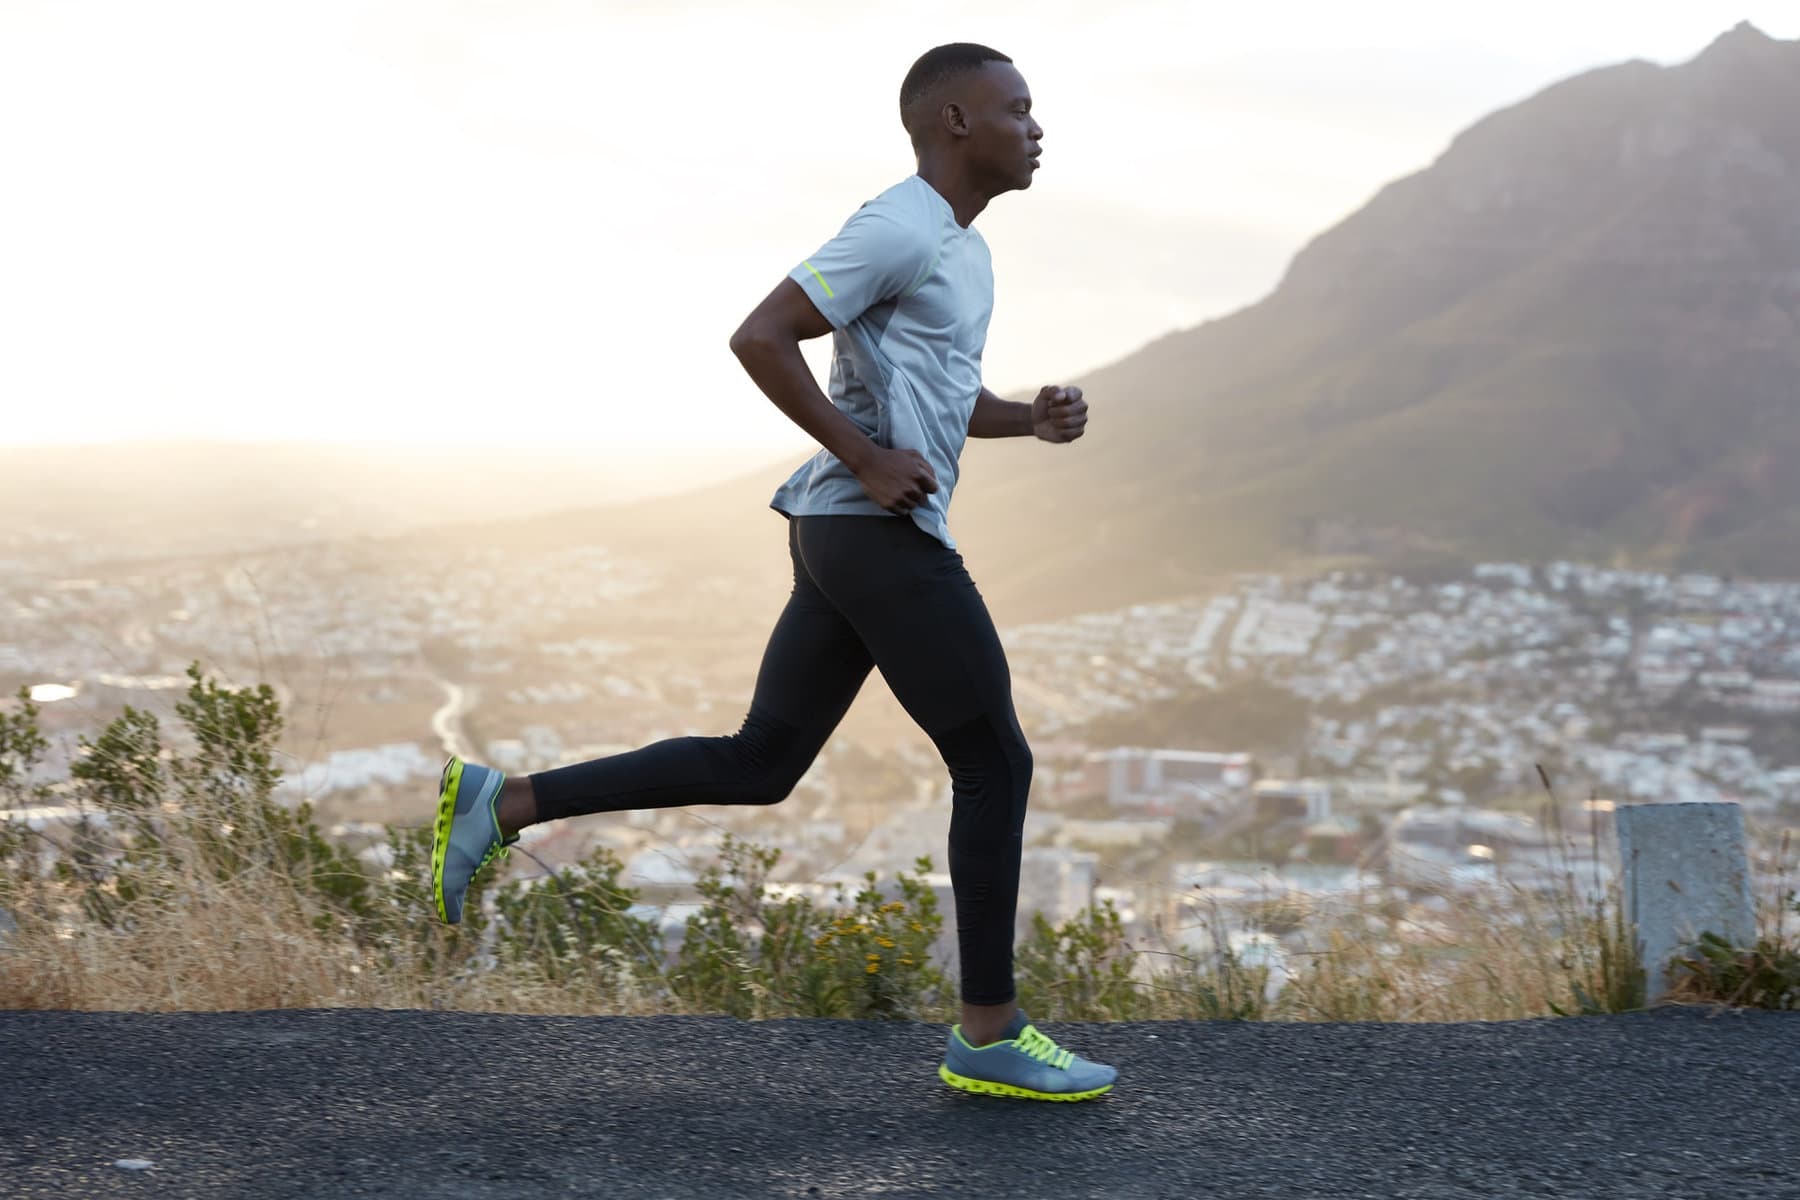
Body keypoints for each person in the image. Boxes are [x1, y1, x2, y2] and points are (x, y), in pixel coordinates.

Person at [431, 42, 1116, 1102]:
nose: (1037, 127)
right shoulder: (896, 223)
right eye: (1017, 108)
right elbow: (762, 335)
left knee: (761, 761)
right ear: (954, 122)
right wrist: (864, 456)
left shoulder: (964, 251)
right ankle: (988, 1032)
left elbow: (940, 392)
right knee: (996, 764)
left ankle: (504, 801)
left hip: (849, 534)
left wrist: (1029, 417)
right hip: (871, 532)